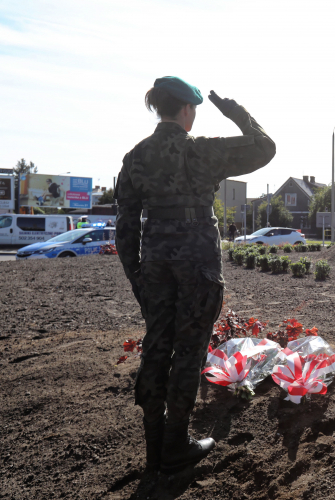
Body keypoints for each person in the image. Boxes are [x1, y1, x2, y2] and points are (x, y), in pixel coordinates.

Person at [114, 76, 275, 475]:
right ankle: (176, 444)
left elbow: (125, 224)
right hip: (198, 265)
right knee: (188, 350)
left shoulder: (134, 157)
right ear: (186, 109)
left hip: (154, 266)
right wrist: (237, 112)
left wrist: (136, 276)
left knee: (156, 346)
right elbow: (265, 148)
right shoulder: (201, 152)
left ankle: (156, 449)